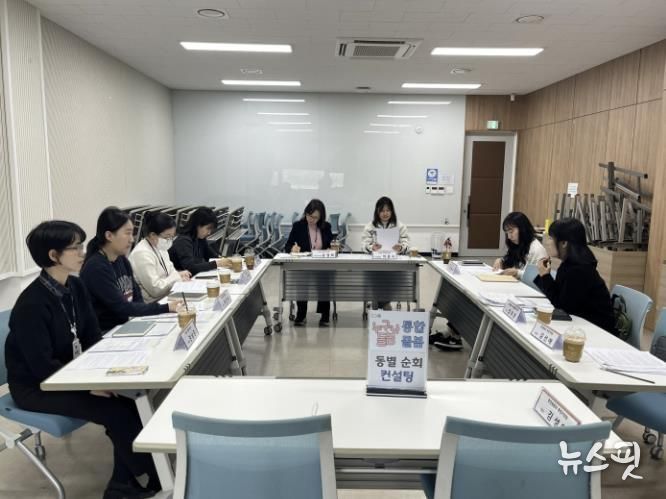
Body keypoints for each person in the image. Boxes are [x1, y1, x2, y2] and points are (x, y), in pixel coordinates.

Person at [5, 221, 159, 498]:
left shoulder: (75, 286)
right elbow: (42, 368)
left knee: (132, 397)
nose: (82, 253)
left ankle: (123, 483)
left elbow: (91, 337)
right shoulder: (31, 305)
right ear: (53, 255)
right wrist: (88, 386)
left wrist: (106, 373)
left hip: (73, 372)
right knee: (116, 411)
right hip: (37, 386)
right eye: (75, 248)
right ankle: (155, 475)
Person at [80, 207, 178, 331]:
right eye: (127, 233)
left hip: (127, 325)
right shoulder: (96, 268)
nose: (132, 239)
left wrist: (145, 320)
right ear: (109, 235)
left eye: (132, 233)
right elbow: (122, 307)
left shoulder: (121, 259)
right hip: (108, 332)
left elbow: (137, 298)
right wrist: (165, 308)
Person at [533, 218, 616, 333]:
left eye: (551, 238)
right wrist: (545, 276)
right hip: (582, 325)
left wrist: (545, 276)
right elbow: (560, 299)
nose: (548, 242)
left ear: (564, 243)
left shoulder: (578, 270)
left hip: (597, 330)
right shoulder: (570, 264)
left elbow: (562, 307)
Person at [284, 199, 333, 326]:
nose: (311, 219)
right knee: (302, 283)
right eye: (309, 216)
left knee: (324, 282)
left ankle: (325, 315)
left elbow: (331, 244)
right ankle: (301, 314)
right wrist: (292, 249)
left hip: (322, 264)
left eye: (315, 217)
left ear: (321, 217)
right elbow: (287, 245)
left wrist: (332, 248)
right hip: (304, 264)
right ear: (305, 213)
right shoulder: (298, 226)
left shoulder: (326, 227)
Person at [129, 211, 191, 303]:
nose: (169, 240)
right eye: (167, 237)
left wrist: (179, 276)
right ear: (153, 235)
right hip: (151, 304)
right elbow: (156, 289)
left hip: (165, 297)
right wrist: (177, 277)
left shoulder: (160, 247)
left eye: (172, 236)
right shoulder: (141, 253)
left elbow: (171, 271)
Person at [168, 207, 231, 275]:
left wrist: (225, 260)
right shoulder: (183, 241)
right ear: (198, 225)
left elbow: (212, 256)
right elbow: (190, 268)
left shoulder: (199, 238)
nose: (209, 233)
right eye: (208, 228)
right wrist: (217, 263)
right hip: (179, 278)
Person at [492, 212, 547, 278]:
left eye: (511, 232)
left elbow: (539, 278)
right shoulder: (519, 244)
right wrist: (501, 260)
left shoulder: (537, 249)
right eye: (507, 233)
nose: (509, 237)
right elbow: (510, 259)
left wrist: (517, 273)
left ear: (523, 229)